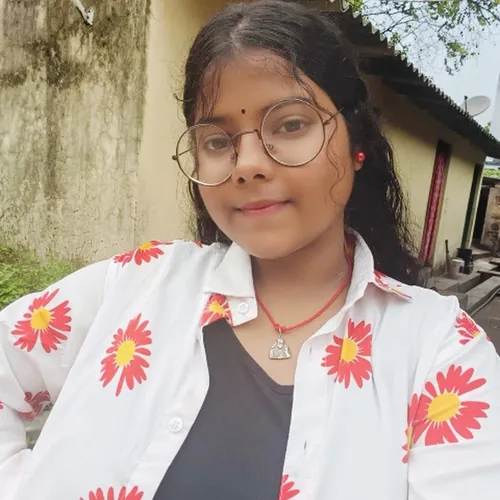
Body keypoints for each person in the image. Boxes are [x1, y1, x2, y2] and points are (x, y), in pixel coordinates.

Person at [1, 1, 499, 499]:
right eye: (218, 141)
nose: (247, 165)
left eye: (291, 124)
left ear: (357, 143)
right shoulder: (135, 286)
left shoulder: (439, 353)